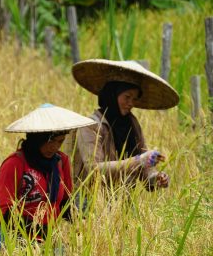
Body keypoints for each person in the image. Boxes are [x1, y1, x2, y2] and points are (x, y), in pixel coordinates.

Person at [0, 103, 96, 244]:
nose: (54, 147)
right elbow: (2, 211)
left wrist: (82, 221)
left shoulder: (61, 162)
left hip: (48, 235)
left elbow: (65, 202)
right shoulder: (15, 163)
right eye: (49, 141)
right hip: (15, 235)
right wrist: (34, 229)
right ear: (37, 139)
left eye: (59, 141)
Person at [71, 59, 179, 191]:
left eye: (134, 99)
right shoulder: (90, 126)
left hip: (123, 203)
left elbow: (143, 165)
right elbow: (95, 169)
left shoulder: (131, 125)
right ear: (112, 94)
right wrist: (138, 161)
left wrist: (155, 177)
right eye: (127, 97)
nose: (131, 103)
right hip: (91, 201)